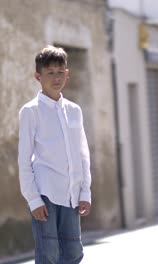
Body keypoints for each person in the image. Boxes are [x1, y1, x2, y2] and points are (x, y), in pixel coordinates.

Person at [18, 45, 92, 264]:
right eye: (50, 72)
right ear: (38, 76)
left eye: (60, 72)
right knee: (48, 254)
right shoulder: (30, 112)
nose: (56, 77)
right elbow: (24, 160)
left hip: (71, 195)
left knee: (74, 253)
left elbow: (83, 153)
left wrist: (85, 192)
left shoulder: (74, 111)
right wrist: (33, 199)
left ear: (67, 74)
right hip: (46, 195)